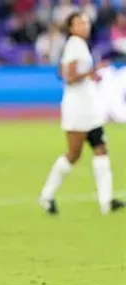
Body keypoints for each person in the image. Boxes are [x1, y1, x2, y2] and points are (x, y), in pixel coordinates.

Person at [39, 12, 124, 215]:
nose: (84, 25)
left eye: (85, 22)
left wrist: (92, 75)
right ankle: (46, 195)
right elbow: (69, 77)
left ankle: (106, 202)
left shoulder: (79, 44)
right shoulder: (74, 45)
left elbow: (64, 71)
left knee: (100, 147)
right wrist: (94, 70)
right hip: (77, 109)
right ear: (71, 28)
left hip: (89, 106)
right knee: (74, 153)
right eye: (79, 23)